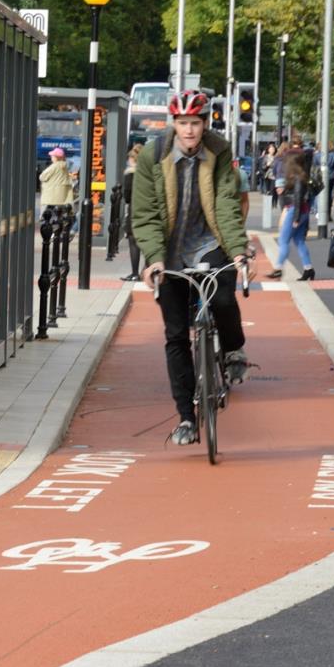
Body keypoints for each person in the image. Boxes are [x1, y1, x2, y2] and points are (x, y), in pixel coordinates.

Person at [133, 89, 251, 446]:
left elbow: (227, 205)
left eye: (195, 123)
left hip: (207, 242)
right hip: (168, 252)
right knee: (175, 334)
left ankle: (233, 349)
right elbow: (145, 214)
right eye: (183, 123)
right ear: (174, 124)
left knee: (225, 299)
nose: (189, 131)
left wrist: (239, 252)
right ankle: (186, 416)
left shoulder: (218, 150)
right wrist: (153, 259)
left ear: (205, 123)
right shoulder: (153, 155)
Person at [265, 147, 314, 280]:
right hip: (302, 210)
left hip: (294, 209)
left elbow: (297, 197)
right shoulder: (302, 176)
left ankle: (278, 268)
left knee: (283, 239)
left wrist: (296, 217)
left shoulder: (296, 178)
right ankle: (308, 268)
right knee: (299, 241)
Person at [120, 143, 143, 281]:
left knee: (133, 242)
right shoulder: (148, 173)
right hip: (147, 210)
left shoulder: (130, 175)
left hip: (134, 210)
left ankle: (135, 272)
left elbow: (127, 196)